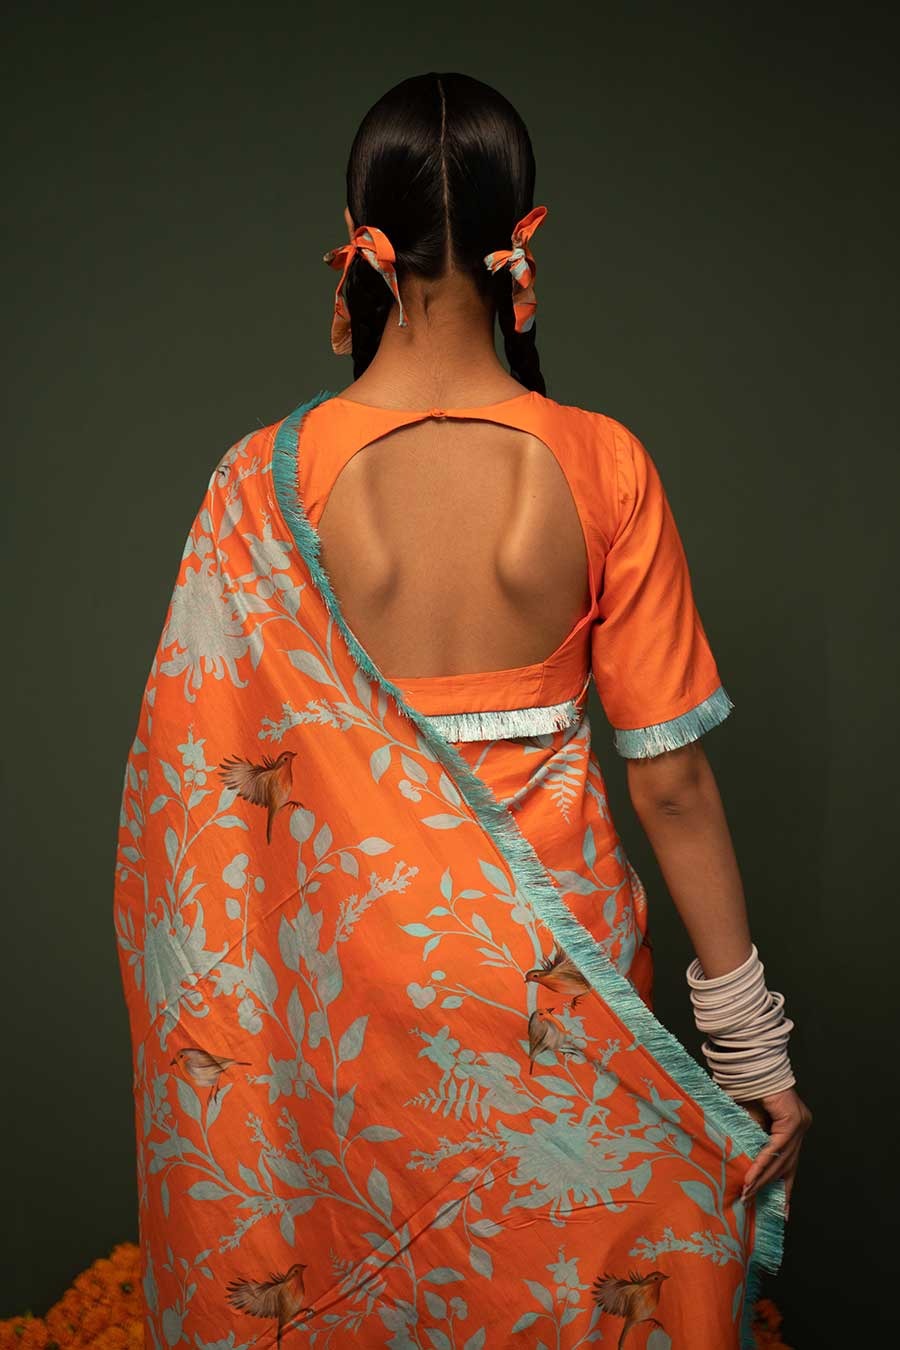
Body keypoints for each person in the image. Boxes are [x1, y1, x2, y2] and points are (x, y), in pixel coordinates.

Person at [113, 71, 812, 1350]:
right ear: (522, 235)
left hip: (355, 987)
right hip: (560, 976)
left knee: (373, 1289)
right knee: (575, 1281)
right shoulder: (603, 463)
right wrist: (749, 1052)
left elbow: (200, 795)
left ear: (356, 240)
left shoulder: (262, 485)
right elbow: (670, 783)